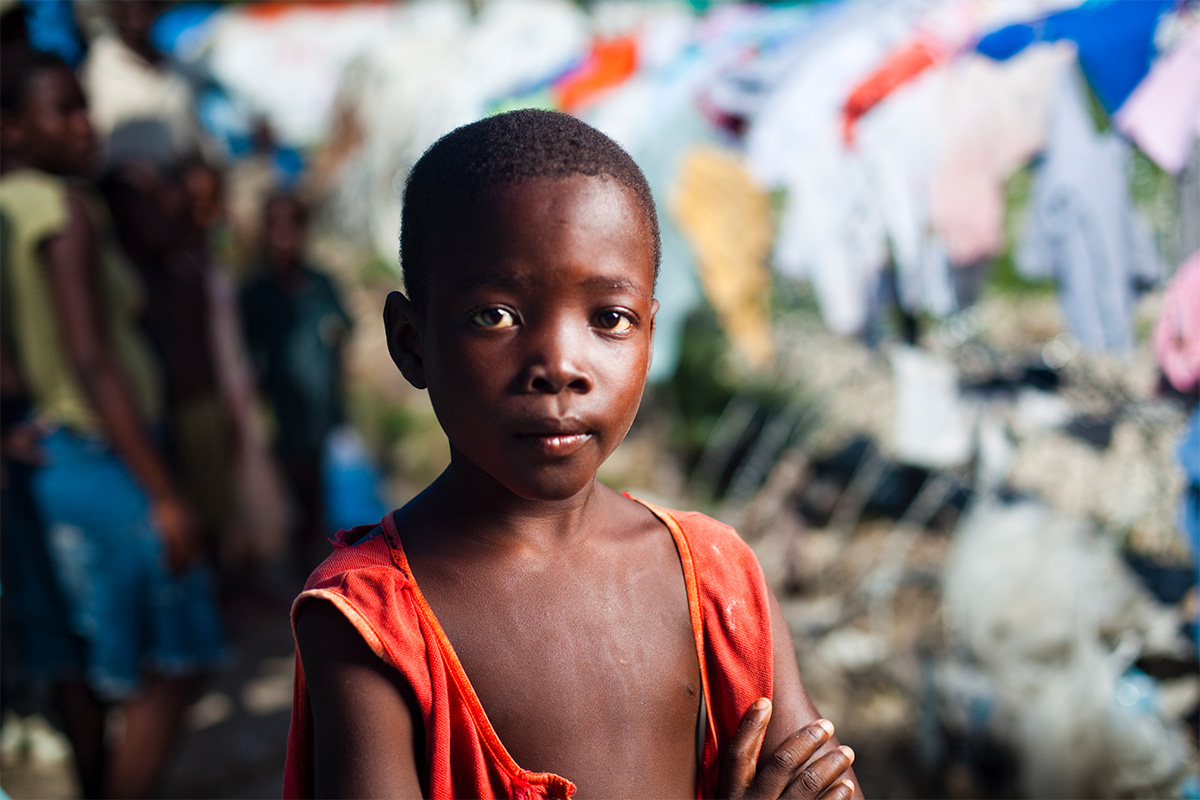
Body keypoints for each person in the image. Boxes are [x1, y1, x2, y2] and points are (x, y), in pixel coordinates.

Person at [285, 109, 862, 799]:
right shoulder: (372, 621)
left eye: (609, 319)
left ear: (650, 335)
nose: (559, 365)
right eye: (495, 315)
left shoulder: (715, 579)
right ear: (411, 342)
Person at [0, 48, 225, 799]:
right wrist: (163, 493)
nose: (84, 124)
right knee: (178, 654)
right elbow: (94, 360)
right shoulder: (58, 210)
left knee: (81, 662)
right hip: (103, 456)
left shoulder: (12, 204)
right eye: (61, 110)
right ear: (11, 127)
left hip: (52, 459)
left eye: (81, 105)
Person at [240, 191, 352, 575]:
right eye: (277, 226)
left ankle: (320, 565)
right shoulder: (254, 294)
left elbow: (341, 336)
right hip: (279, 416)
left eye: (294, 225)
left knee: (320, 492)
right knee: (286, 493)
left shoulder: (321, 285)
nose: (286, 236)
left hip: (319, 412)